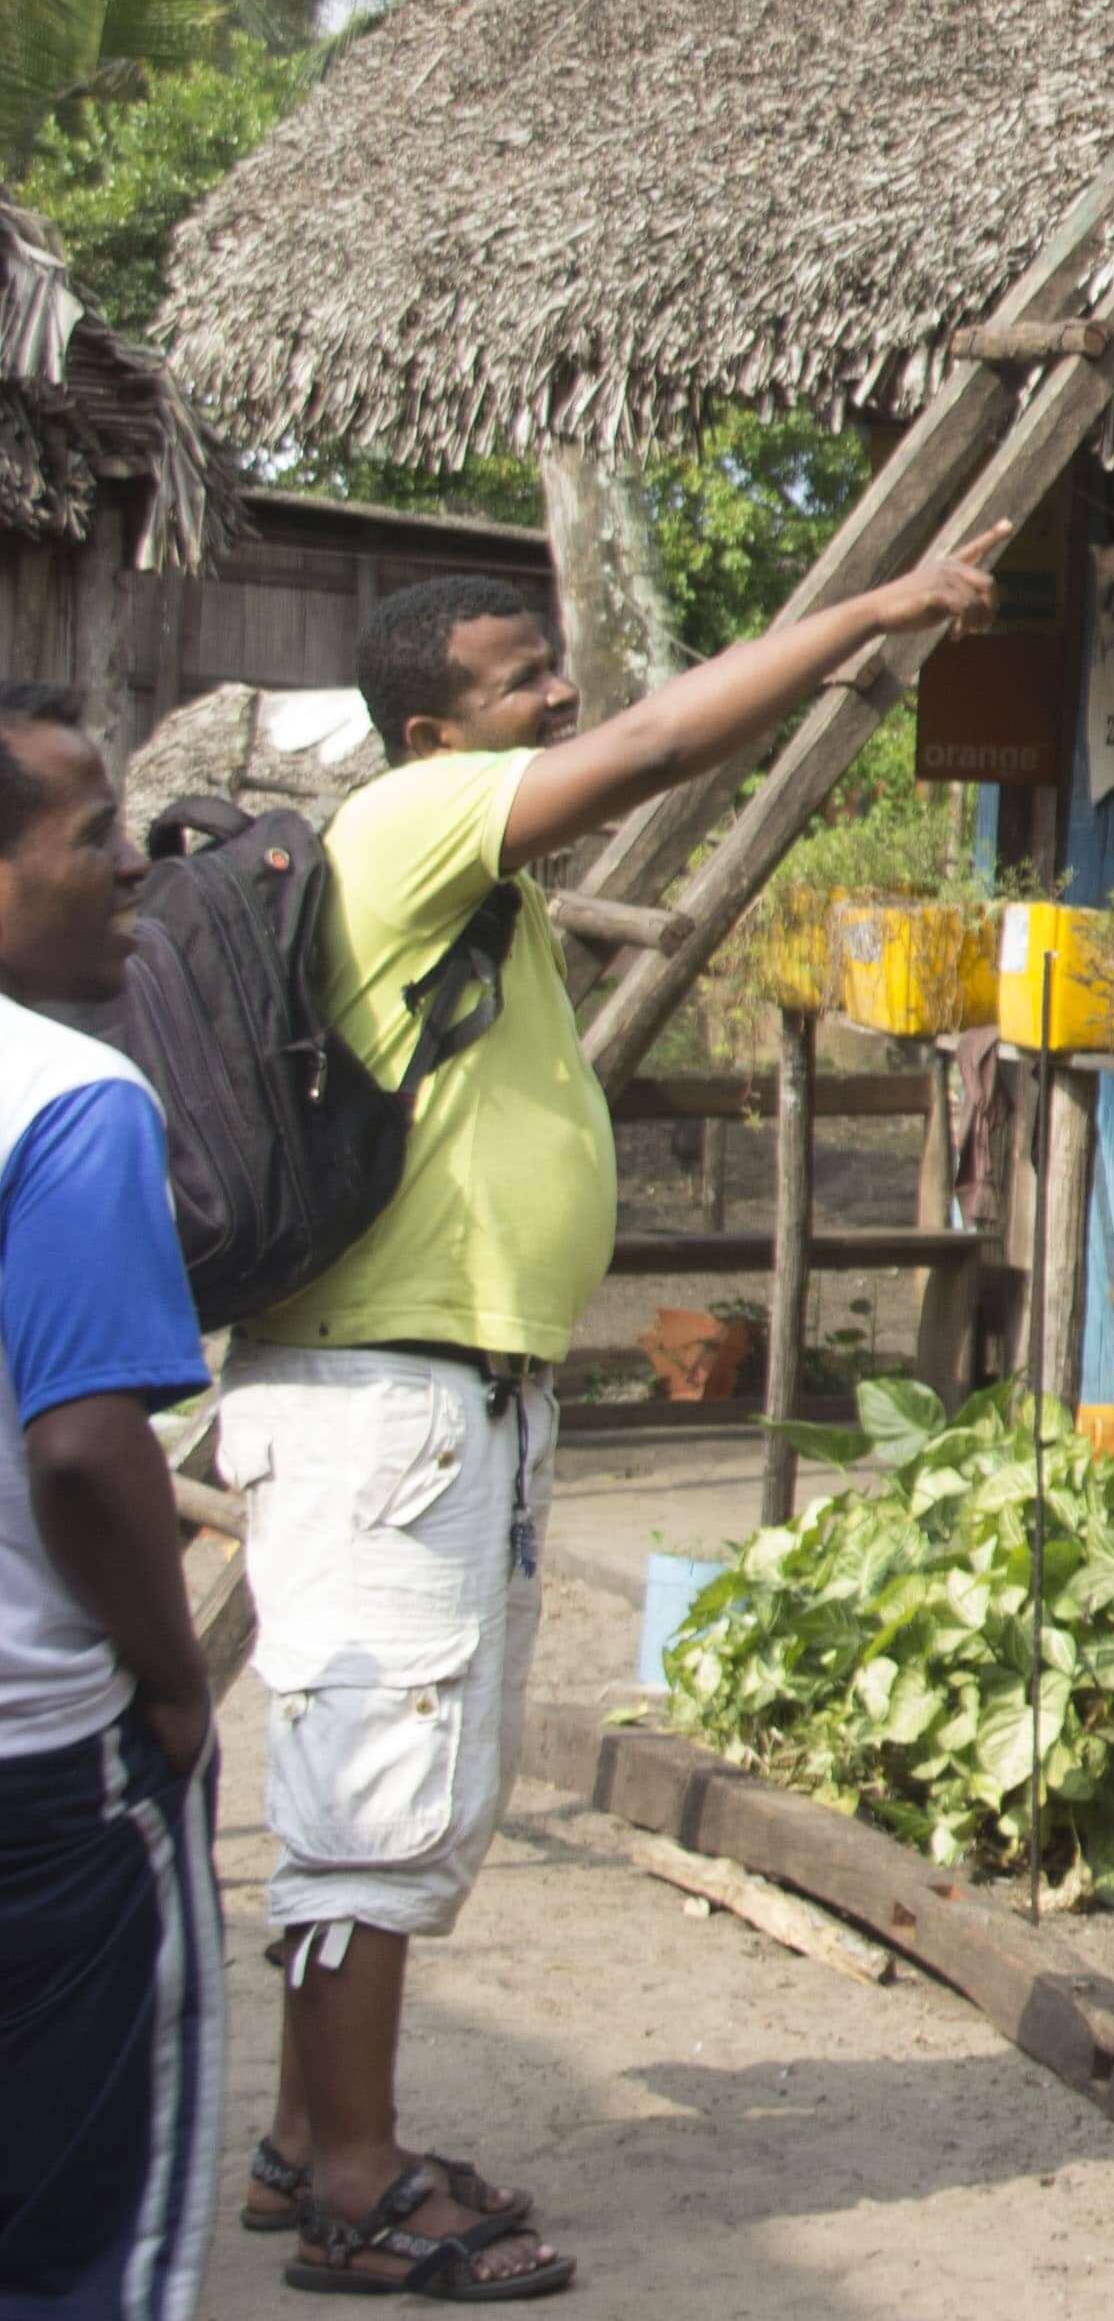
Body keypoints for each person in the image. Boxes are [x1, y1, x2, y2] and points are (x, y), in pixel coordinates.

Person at [224, 527, 1009, 2301]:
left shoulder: (450, 857)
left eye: (557, 672)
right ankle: (356, 2181)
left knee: (404, 1784)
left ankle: (306, 2140)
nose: (564, 699)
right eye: (522, 683)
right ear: (433, 731)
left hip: (440, 1392)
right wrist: (869, 609)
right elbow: (659, 751)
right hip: (387, 1396)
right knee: (372, 1785)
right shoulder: (419, 819)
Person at [0, 687, 223, 2318]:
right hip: (36, 1768)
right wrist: (171, 1675)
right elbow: (83, 1453)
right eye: (92, 833)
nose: (133, 864)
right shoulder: (69, 1106)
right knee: (84, 2239)